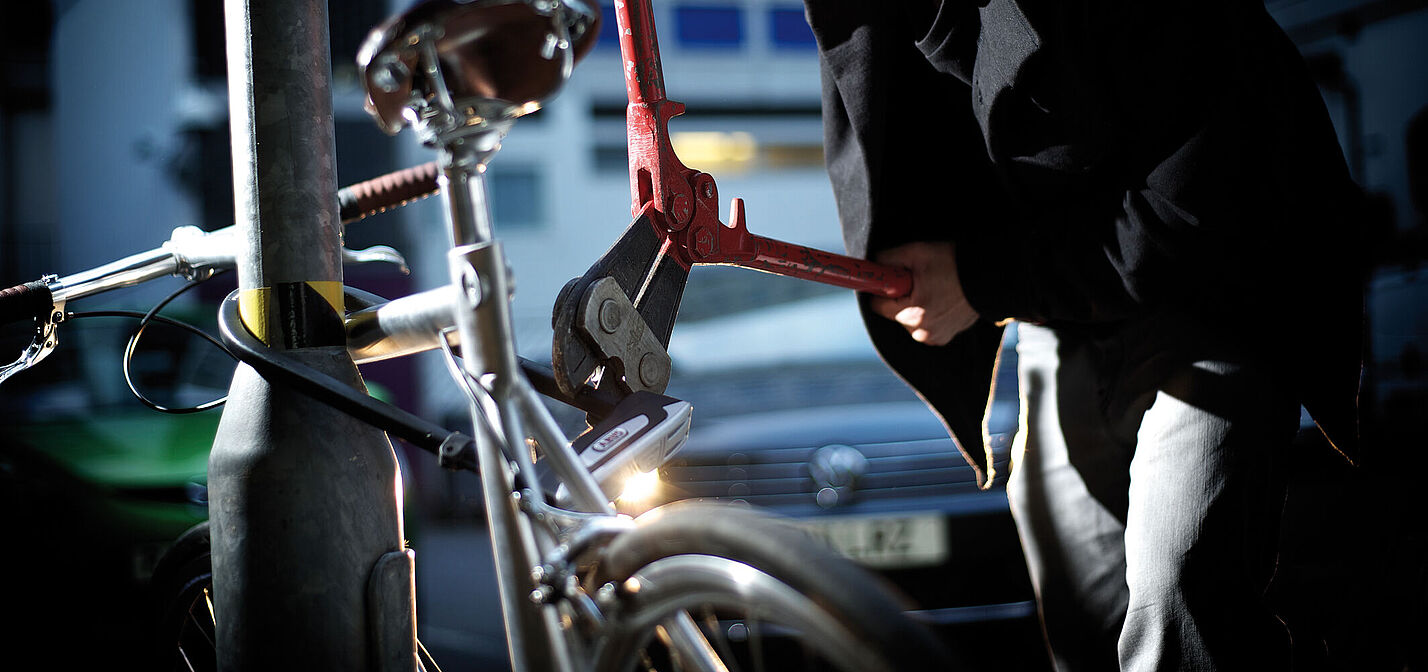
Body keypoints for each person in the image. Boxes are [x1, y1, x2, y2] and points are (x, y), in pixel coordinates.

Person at [803, 2, 1365, 670]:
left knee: (1177, 596)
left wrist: (979, 281)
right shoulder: (871, 13)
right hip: (1061, 309)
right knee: (1082, 612)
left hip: (1219, 290)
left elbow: (1192, 213)